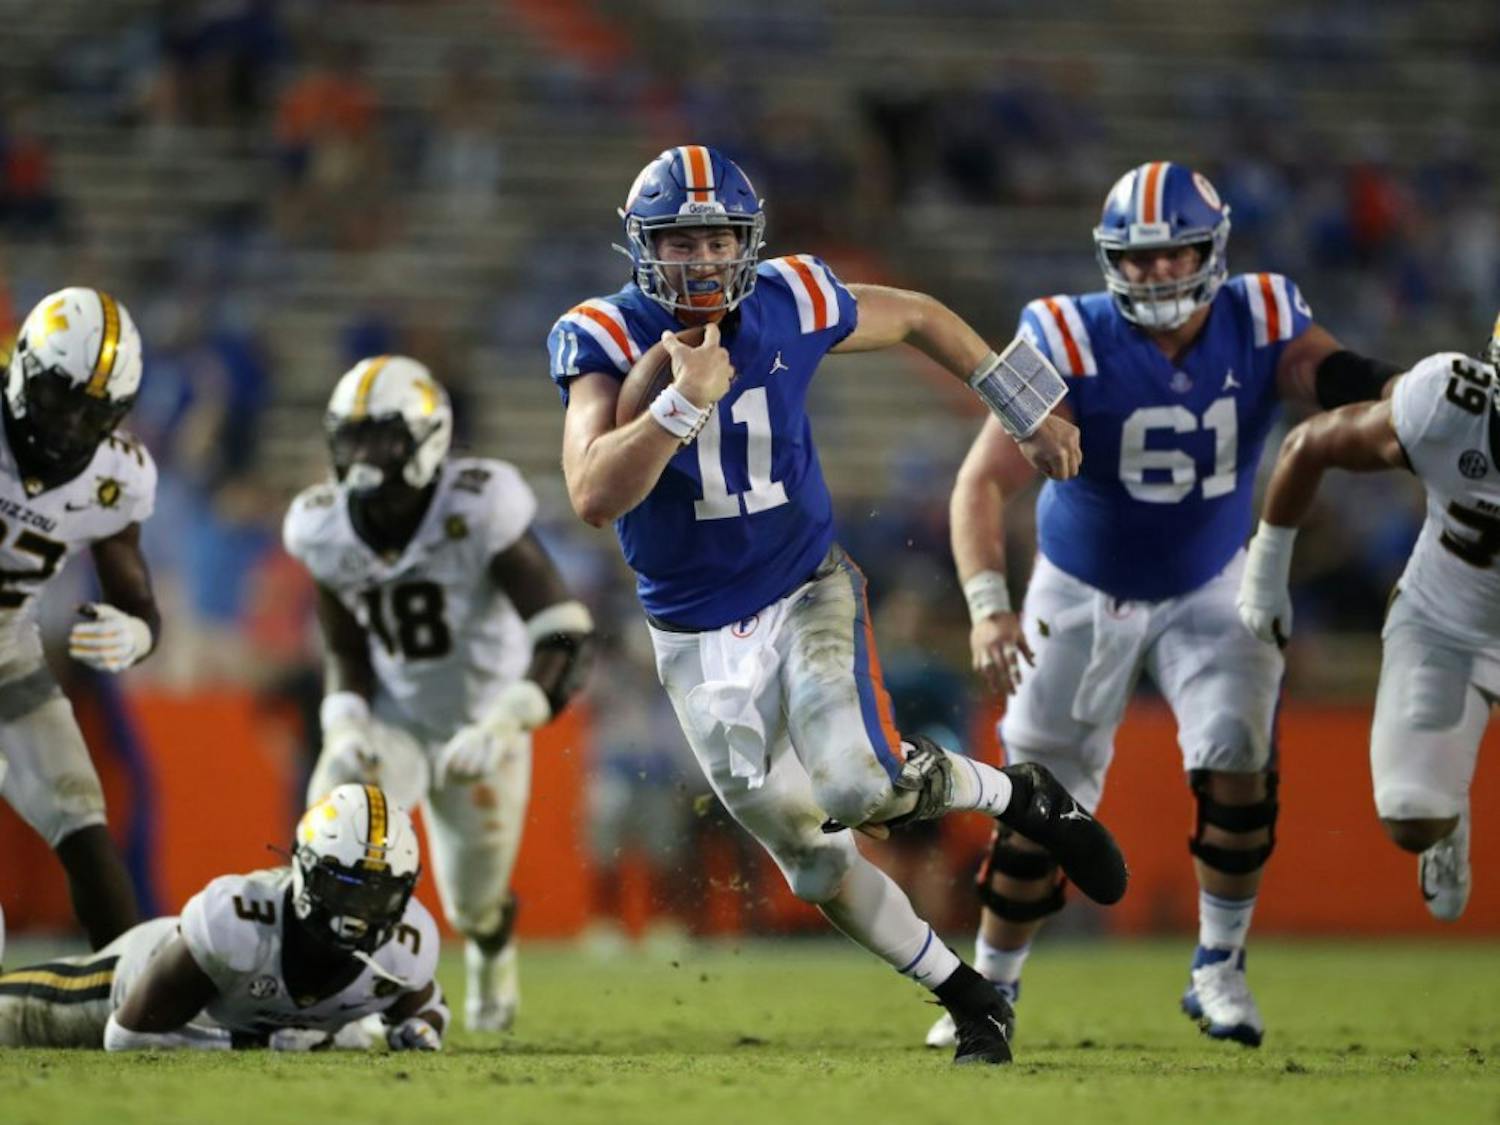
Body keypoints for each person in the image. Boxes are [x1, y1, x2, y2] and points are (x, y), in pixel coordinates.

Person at [547, 144, 1126, 1067]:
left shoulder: (790, 297)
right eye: (681, 239)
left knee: (860, 784)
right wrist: (675, 408)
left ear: (749, 240)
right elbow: (591, 492)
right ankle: (970, 995)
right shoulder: (603, 335)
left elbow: (922, 318)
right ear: (643, 245)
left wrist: (1022, 405)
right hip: (693, 636)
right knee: (812, 857)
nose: (701, 259)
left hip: (804, 584)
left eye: (717, 237)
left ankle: (1024, 796)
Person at [935, 161, 1404, 1051]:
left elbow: (1325, 371)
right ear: (1112, 258)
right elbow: (979, 482)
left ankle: (1219, 964)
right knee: (1041, 799)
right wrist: (988, 607)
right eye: (1138, 257)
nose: (1155, 272)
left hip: (1214, 579)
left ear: (1209, 249)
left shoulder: (1261, 314)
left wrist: (1405, 387)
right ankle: (989, 987)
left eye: (1173, 252)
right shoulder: (1066, 333)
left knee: (1239, 757)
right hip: (1079, 586)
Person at [284, 355, 594, 1032]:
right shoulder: (324, 526)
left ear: (427, 437)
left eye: (382, 436)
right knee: (338, 823)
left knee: (472, 903)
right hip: (396, 717)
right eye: (352, 435)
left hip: (482, 724)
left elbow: (567, 633)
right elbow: (344, 648)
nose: (364, 454)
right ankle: (332, 997)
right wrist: (345, 723)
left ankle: (491, 945)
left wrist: (508, 722)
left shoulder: (477, 504)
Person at [1238, 316, 1500, 923]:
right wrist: (1266, 574)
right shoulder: (1448, 406)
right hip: (1444, 624)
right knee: (1412, 814)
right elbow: (1310, 445)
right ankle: (1445, 825)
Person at [0, 783, 447, 1051]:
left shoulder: (406, 947)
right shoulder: (238, 921)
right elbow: (128, 1037)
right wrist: (255, 1043)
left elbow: (428, 1006)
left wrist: (421, 1029)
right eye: (343, 888)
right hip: (125, 982)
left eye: (378, 896)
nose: (359, 913)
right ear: (305, 872)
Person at [0, 286, 163, 950]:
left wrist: (137, 633)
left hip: (7, 645)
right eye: (60, 397)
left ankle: (136, 999)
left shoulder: (117, 478)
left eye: (91, 411)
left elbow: (136, 598)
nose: (69, 425)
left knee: (79, 807)